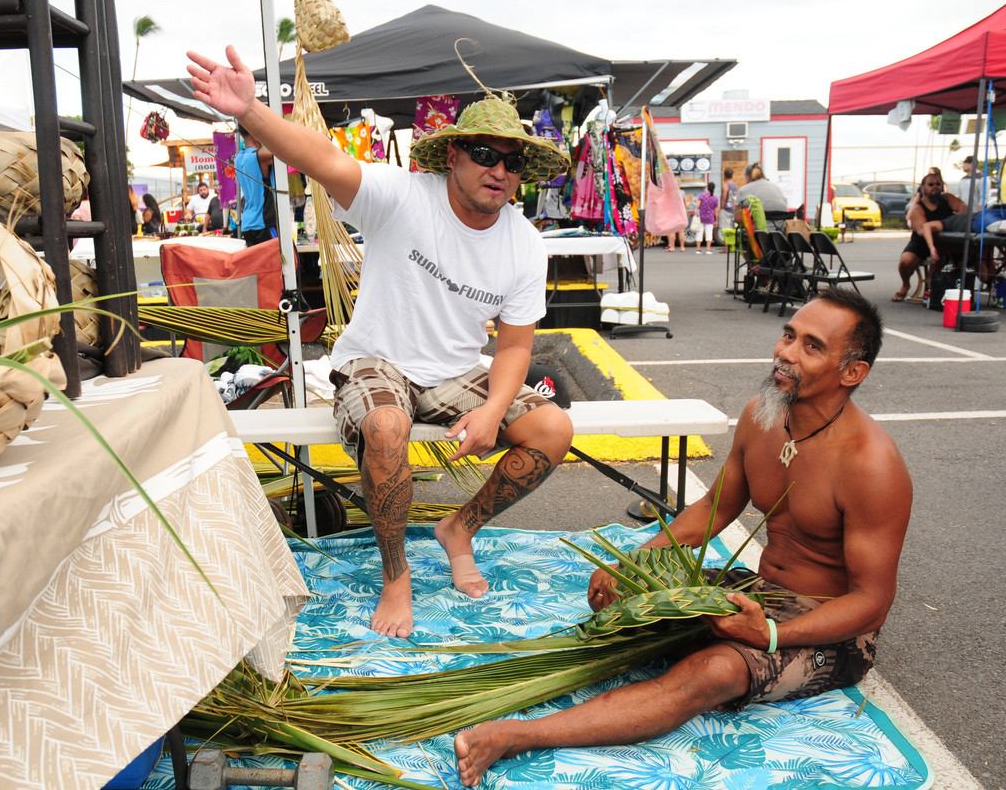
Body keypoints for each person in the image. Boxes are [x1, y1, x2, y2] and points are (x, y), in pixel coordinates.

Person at [187, 45, 575, 639]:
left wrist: (496, 409)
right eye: (483, 154)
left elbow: (516, 347)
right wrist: (253, 112)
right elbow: (323, 159)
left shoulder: (525, 243)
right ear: (453, 155)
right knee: (388, 426)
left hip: (454, 372)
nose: (498, 170)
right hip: (376, 361)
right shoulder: (403, 194)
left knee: (554, 429)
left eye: (513, 162)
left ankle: (459, 530)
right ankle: (397, 576)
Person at [454, 289, 912, 787]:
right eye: (787, 335)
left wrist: (772, 636)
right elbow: (712, 510)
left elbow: (873, 603)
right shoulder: (762, 416)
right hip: (755, 595)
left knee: (712, 674)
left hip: (827, 624)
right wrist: (632, 564)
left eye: (811, 346)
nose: (786, 352)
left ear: (852, 373)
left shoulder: (872, 464)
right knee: (621, 602)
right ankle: (491, 687)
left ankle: (516, 736)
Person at [895, 172, 967, 301]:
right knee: (905, 261)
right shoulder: (917, 208)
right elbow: (923, 230)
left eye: (938, 184)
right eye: (931, 184)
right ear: (923, 188)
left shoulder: (947, 198)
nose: (935, 187)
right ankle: (905, 285)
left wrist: (958, 218)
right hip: (923, 242)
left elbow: (963, 207)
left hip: (948, 241)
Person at [236, 127, 276, 246]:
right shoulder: (260, 156)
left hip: (248, 223)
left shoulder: (239, 158)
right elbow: (288, 152)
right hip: (263, 222)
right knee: (283, 262)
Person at [735, 163, 790, 230]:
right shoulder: (776, 187)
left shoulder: (743, 190)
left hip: (758, 234)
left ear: (747, 177)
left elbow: (737, 219)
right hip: (780, 233)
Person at [694, 181, 718, 253]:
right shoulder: (715, 198)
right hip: (710, 217)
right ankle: (708, 249)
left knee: (699, 232)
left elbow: (698, 206)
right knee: (709, 233)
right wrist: (716, 220)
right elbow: (716, 210)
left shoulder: (702, 195)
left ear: (707, 187)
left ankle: (698, 249)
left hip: (701, 217)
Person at [717, 167, 738, 237]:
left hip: (726, 209)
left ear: (724, 176)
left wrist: (721, 208)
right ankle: (732, 245)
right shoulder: (735, 185)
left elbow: (724, 198)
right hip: (733, 209)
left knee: (726, 229)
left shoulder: (725, 185)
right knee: (732, 229)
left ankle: (726, 246)